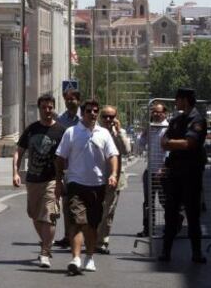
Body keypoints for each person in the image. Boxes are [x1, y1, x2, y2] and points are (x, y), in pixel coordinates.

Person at [55, 99, 119, 274]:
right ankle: (75, 258)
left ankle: (89, 257)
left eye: (95, 111)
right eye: (89, 111)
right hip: (75, 184)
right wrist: (59, 180)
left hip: (97, 185)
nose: (93, 114)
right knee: (77, 221)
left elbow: (113, 155)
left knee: (92, 225)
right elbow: (60, 157)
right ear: (82, 113)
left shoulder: (104, 133)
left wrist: (113, 174)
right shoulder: (71, 132)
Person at [13, 94, 65, 268]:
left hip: (52, 179)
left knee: (49, 216)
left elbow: (67, 155)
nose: (47, 110)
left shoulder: (60, 131)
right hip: (33, 179)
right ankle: (45, 243)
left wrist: (62, 179)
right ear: (39, 108)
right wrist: (15, 172)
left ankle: (45, 252)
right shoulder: (32, 129)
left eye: (50, 107)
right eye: (44, 107)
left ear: (53, 108)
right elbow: (19, 151)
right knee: (35, 216)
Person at [159, 88, 207, 264]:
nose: (175, 102)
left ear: (185, 100)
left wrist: (170, 143)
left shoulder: (198, 119)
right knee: (170, 213)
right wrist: (171, 144)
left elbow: (189, 143)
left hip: (191, 174)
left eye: (177, 99)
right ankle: (166, 251)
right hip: (175, 173)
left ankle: (196, 252)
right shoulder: (177, 119)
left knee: (192, 215)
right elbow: (164, 139)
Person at [96, 105, 131, 254]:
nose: (108, 120)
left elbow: (126, 151)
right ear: (100, 117)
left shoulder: (119, 133)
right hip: (94, 177)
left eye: (111, 117)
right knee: (94, 210)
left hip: (114, 178)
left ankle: (102, 241)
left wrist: (118, 133)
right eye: (105, 116)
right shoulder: (94, 131)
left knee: (108, 211)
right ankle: (92, 237)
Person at [136, 102, 173, 237]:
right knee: (148, 202)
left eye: (158, 112)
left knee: (165, 201)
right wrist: (144, 132)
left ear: (165, 113)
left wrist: (163, 169)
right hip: (150, 170)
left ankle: (173, 224)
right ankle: (148, 229)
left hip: (163, 172)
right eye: (154, 112)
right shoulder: (151, 127)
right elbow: (140, 145)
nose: (156, 114)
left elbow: (169, 152)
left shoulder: (168, 128)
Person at [54, 88, 81, 248]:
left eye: (73, 99)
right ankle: (67, 235)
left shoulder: (84, 118)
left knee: (82, 203)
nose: (70, 102)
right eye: (67, 99)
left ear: (78, 100)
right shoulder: (61, 120)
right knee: (66, 204)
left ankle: (82, 234)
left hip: (82, 167)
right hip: (66, 168)